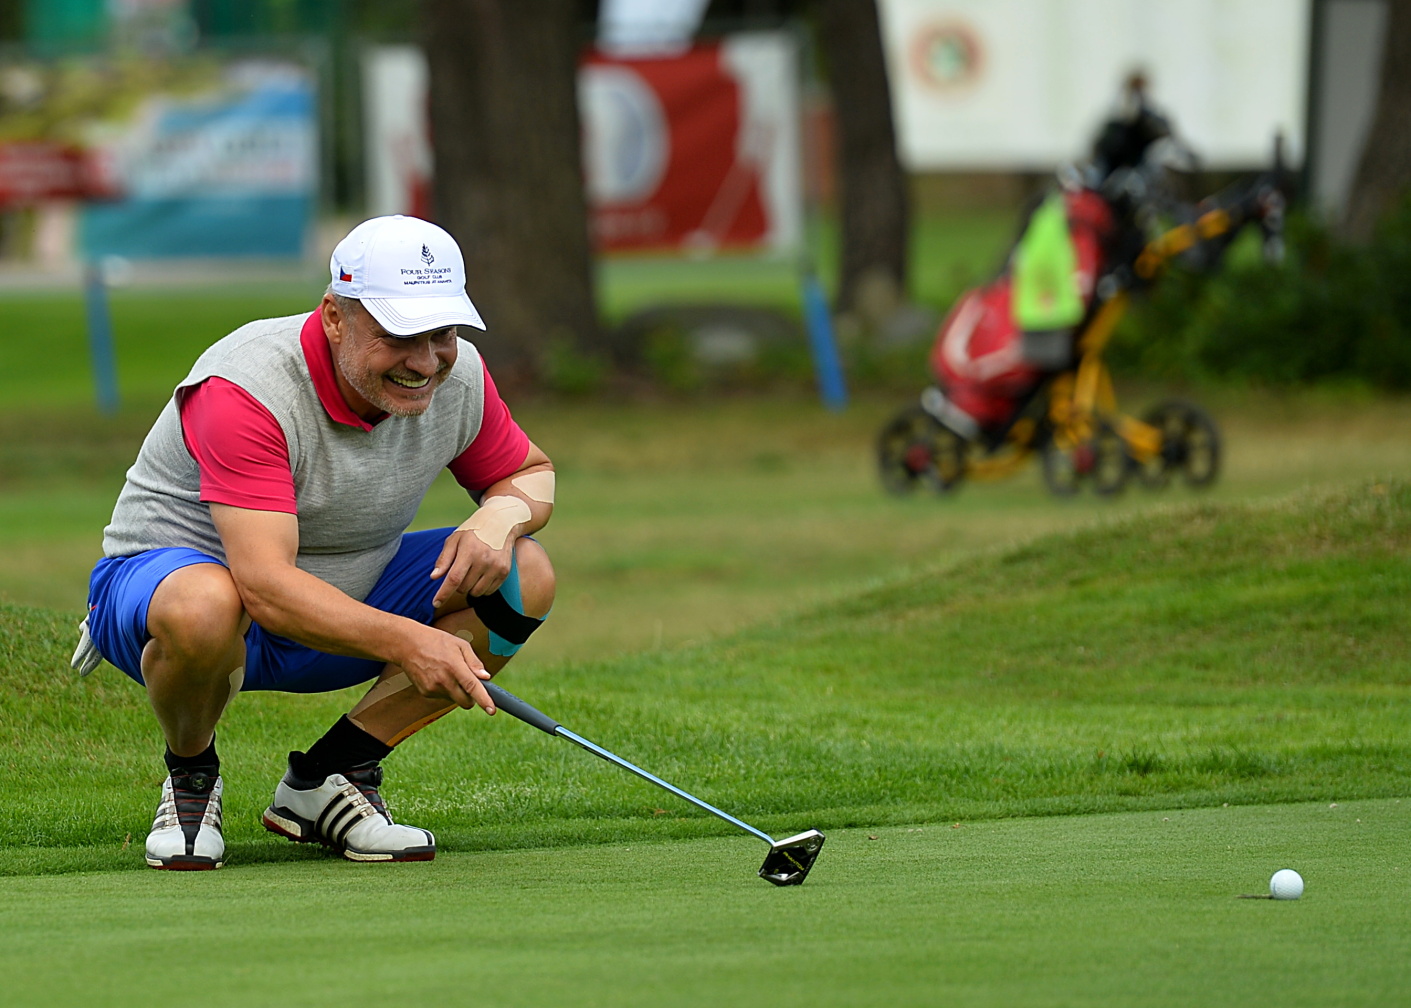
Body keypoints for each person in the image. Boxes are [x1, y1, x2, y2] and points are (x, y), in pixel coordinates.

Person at [69, 215, 556, 871]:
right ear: (334, 317)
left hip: (340, 600)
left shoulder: (458, 374)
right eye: (399, 336)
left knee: (526, 573)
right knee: (205, 604)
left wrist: (499, 519)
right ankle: (191, 778)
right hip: (177, 604)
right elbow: (265, 587)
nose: (424, 362)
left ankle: (331, 778)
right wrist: (410, 641)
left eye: (441, 333)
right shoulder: (247, 388)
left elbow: (530, 472)